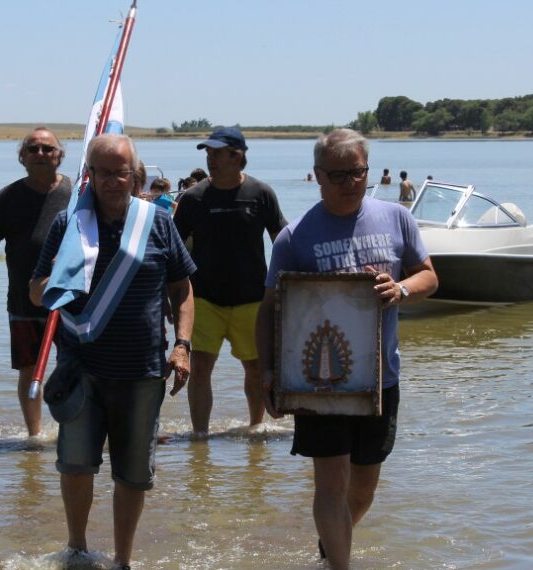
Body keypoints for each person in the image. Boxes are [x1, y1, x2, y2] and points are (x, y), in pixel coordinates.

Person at [256, 128, 437, 570]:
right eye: (338, 175)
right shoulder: (295, 237)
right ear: (317, 175)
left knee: (363, 488)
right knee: (330, 486)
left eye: (357, 172)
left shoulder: (397, 218)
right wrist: (268, 372)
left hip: (380, 377)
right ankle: (339, 563)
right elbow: (268, 311)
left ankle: (330, 544)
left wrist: (401, 289)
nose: (350, 183)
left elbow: (429, 276)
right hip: (319, 383)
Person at [29, 133, 196, 570]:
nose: (111, 180)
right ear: (90, 176)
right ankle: (77, 549)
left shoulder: (157, 223)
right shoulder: (69, 226)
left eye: (120, 172)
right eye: (102, 172)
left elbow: (182, 288)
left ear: (135, 176)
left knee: (135, 474)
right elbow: (34, 291)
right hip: (81, 368)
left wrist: (182, 344)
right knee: (76, 465)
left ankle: (123, 560)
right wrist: (55, 285)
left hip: (141, 371)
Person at [173, 126, 287, 438]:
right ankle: (200, 436)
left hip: (252, 299)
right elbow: (171, 251)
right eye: (207, 153)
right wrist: (166, 298)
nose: (210, 159)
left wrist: (291, 289)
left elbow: (283, 241)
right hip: (205, 299)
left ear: (237, 156)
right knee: (199, 369)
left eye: (217, 153)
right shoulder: (193, 199)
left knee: (254, 369)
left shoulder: (261, 194)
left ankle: (255, 427)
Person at [0, 127, 72, 437]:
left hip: (72, 301)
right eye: (33, 149)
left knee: (75, 367)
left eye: (47, 148)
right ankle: (35, 435)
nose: (40, 154)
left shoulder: (78, 193)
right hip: (23, 301)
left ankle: (74, 428)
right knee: (29, 371)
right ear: (22, 157)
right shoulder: (8, 197)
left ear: (60, 156)